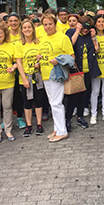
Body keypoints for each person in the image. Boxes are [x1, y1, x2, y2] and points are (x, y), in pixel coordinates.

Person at [39, 13, 74, 142]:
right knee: (52, 103)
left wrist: (58, 60)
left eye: (50, 24)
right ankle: (57, 128)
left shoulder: (62, 38)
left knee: (56, 103)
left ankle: (62, 131)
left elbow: (71, 57)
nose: (48, 27)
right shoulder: (42, 38)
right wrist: (39, 58)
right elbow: (43, 53)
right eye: (45, 24)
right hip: (45, 73)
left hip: (57, 74)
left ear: (55, 24)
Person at [65, 16, 100, 130]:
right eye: (84, 27)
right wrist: (77, 30)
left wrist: (94, 37)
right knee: (73, 97)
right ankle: (68, 119)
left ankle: (80, 117)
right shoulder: (71, 32)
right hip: (75, 70)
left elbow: (96, 49)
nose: (85, 30)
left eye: (88, 28)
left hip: (87, 70)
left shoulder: (89, 35)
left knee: (83, 95)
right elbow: (69, 45)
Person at [15, 19, 45, 137]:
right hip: (26, 76)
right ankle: (28, 125)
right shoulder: (19, 44)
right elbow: (19, 62)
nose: (27, 29)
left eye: (29, 27)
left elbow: (42, 57)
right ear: (21, 30)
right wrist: (24, 79)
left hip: (37, 76)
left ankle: (38, 123)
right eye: (25, 28)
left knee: (38, 101)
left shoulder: (39, 42)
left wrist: (39, 61)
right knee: (27, 102)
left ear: (33, 29)